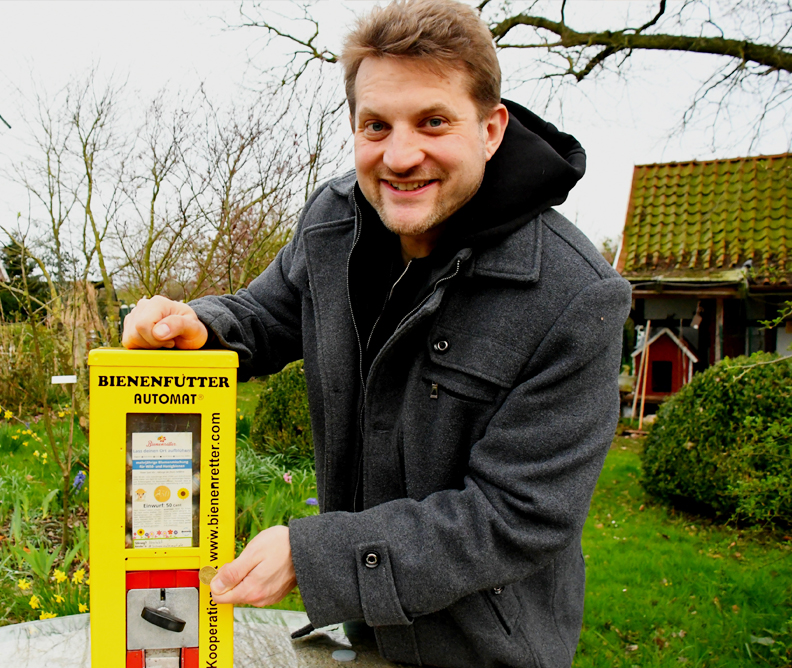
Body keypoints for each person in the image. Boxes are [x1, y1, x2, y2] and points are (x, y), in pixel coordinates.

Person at [122, 0, 631, 665]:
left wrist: (313, 556)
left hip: (489, 652)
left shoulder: (575, 296)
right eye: (375, 125)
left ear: (491, 128)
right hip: (365, 639)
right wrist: (199, 326)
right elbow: (271, 314)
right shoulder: (333, 221)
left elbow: (514, 515)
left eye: (434, 121)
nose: (400, 155)